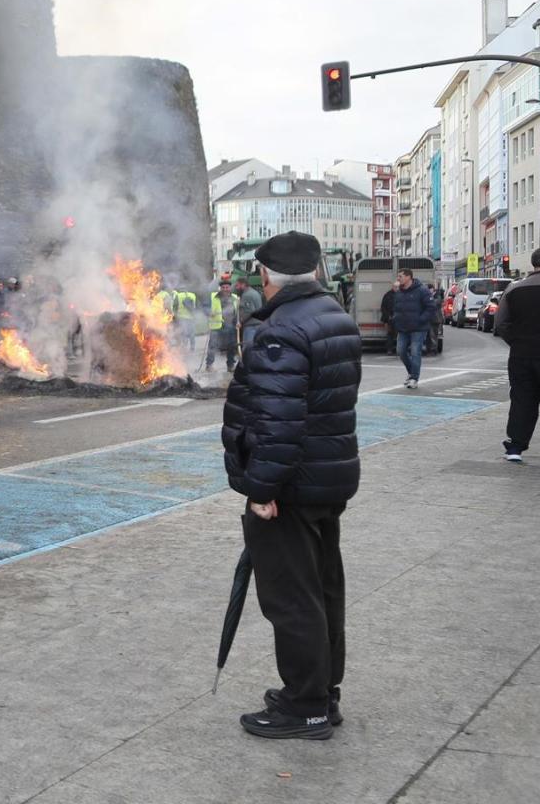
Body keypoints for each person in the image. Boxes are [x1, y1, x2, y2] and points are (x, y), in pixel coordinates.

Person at [223, 230, 362, 740]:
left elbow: (277, 423)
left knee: (292, 598)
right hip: (328, 477)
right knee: (323, 590)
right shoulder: (335, 317)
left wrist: (262, 490)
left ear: (266, 275)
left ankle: (304, 707)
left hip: (291, 487)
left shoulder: (280, 330)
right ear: (316, 270)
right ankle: (322, 693)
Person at [494, 245, 540, 462]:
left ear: (534, 265)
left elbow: (500, 323)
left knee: (522, 400)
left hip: (522, 356)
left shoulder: (514, 289)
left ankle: (515, 448)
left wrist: (517, 341)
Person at [389, 269, 438, 388]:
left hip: (418, 328)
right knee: (400, 351)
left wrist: (421, 319)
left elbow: (431, 307)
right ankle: (412, 372)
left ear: (408, 277)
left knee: (415, 351)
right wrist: (395, 318)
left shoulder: (422, 290)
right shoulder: (399, 292)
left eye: (400, 276)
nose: (398, 279)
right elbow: (395, 307)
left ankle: (414, 378)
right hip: (403, 327)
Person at [206, 278, 239, 371]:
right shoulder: (213, 297)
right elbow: (205, 306)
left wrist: (237, 322)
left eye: (227, 287)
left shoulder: (235, 298)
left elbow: (237, 312)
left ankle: (230, 365)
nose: (225, 289)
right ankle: (209, 365)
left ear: (230, 288)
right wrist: (208, 312)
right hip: (216, 326)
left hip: (231, 326)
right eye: (223, 287)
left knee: (231, 346)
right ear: (220, 288)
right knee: (212, 346)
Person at [235, 277, 264, 349]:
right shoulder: (255, 292)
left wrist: (240, 322)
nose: (237, 288)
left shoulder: (247, 295)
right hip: (258, 324)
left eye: (238, 285)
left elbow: (249, 311)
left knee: (248, 349)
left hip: (251, 326)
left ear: (243, 285)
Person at [378, 285, 399, 356]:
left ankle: (398, 350)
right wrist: (388, 317)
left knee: (399, 335)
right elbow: (383, 307)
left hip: (398, 318)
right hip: (389, 319)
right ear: (393, 287)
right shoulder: (387, 295)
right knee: (390, 334)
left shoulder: (401, 294)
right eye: (395, 287)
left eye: (398, 287)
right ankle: (389, 350)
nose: (397, 288)